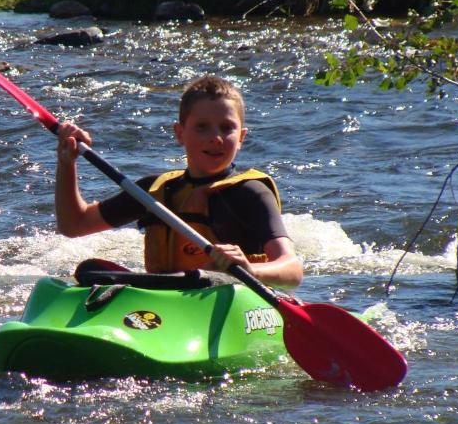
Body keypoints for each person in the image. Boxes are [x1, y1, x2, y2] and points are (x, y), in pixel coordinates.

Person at [54, 75, 303, 288]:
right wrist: (67, 163)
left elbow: (292, 270)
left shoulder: (251, 193)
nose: (216, 138)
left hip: (225, 296)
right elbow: (74, 225)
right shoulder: (153, 191)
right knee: (90, 270)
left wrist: (251, 270)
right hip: (169, 301)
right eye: (202, 127)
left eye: (227, 128)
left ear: (242, 137)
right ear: (179, 133)